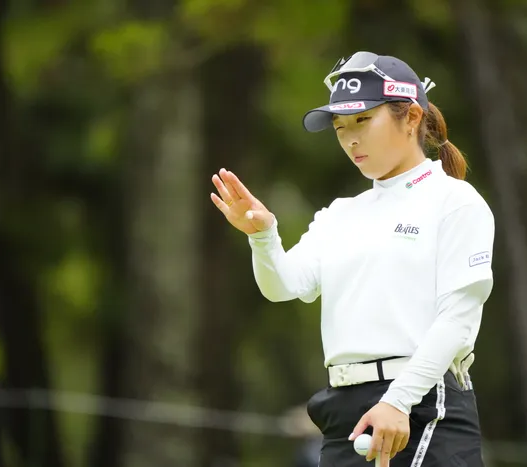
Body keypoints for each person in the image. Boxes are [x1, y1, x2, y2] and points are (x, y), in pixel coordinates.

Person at [210, 51, 495, 466]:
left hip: (421, 403)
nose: (350, 139)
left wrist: (398, 401)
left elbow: (458, 318)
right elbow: (284, 286)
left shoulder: (454, 201)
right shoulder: (340, 213)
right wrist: (263, 236)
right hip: (344, 409)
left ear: (412, 117)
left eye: (363, 120)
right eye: (341, 127)